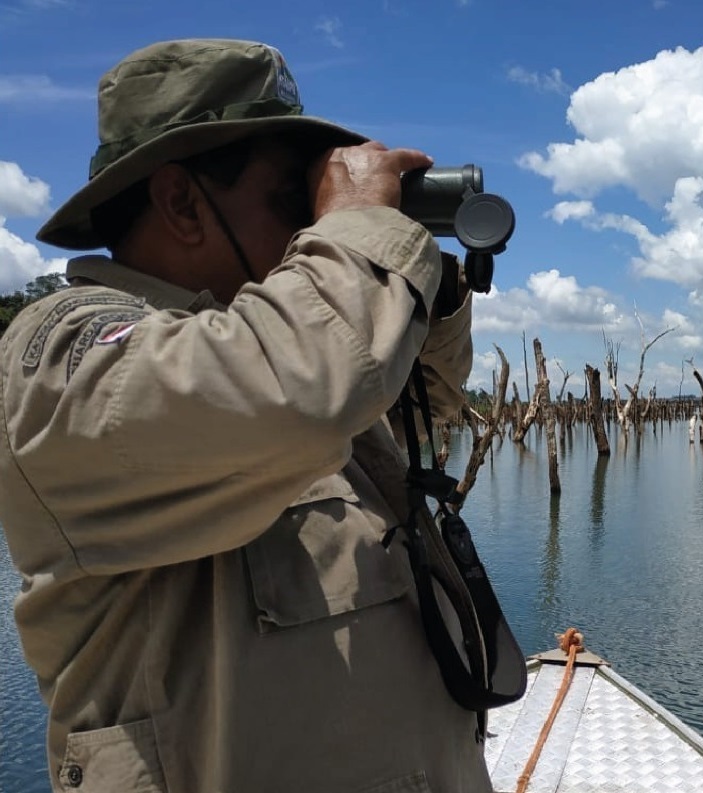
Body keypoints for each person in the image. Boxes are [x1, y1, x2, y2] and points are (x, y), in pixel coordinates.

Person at [0, 39, 503, 792]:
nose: (311, 225)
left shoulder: (272, 342)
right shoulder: (60, 350)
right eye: (288, 200)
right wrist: (359, 230)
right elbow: (304, 391)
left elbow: (421, 407)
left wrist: (432, 296)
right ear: (180, 203)